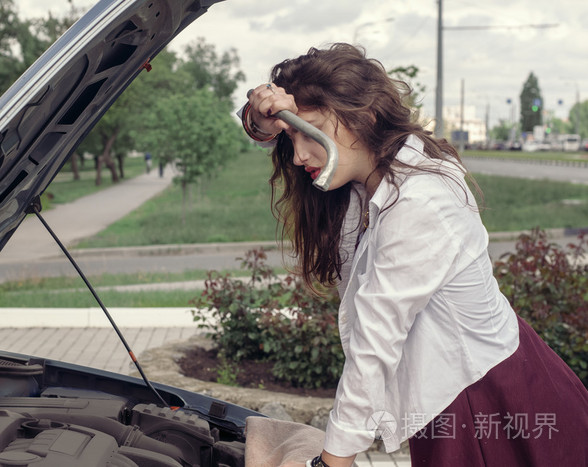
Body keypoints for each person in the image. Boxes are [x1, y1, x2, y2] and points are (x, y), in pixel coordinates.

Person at [240, 43, 588, 467]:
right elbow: (272, 133)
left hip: (488, 402)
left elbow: (375, 342)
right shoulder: (369, 176)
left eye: (309, 131)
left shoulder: (419, 201)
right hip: (455, 395)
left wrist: (332, 461)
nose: (298, 156)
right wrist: (260, 120)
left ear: (363, 116)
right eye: (291, 135)